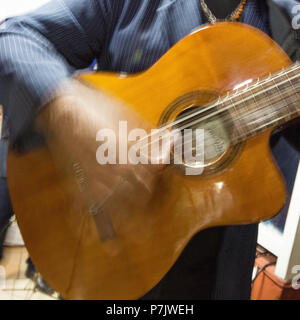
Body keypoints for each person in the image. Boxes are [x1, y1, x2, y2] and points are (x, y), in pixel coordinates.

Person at [0, 0, 299, 300]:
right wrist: (66, 111)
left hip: (218, 270)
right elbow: (14, 38)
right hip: (109, 252)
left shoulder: (285, 20)